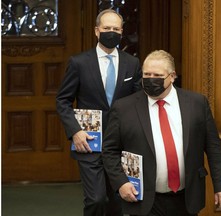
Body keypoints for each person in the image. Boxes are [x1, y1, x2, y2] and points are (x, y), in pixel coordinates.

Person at [102, 50, 221, 216]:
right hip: (144, 199)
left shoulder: (196, 103)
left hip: (186, 197)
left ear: (172, 76)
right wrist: (121, 183)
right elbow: (109, 151)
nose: (150, 79)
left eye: (157, 75)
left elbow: (213, 148)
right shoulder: (123, 108)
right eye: (146, 74)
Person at [56, 9, 142, 216]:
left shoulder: (132, 63)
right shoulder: (79, 63)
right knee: (96, 199)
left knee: (117, 202)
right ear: (97, 31)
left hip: (121, 142)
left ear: (121, 32)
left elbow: (139, 101)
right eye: (106, 28)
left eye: (115, 29)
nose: (111, 32)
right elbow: (63, 100)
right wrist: (75, 131)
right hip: (90, 141)